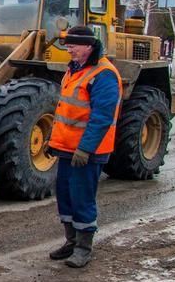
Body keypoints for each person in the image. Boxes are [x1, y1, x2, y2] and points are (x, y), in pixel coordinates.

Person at [47, 26, 122, 268]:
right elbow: (64, 111)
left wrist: (85, 149)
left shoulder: (104, 75)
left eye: (74, 46)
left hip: (87, 152)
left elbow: (102, 117)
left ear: (89, 47)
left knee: (82, 198)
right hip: (68, 149)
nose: (69, 49)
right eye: (68, 45)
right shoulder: (74, 71)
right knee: (65, 197)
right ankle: (70, 241)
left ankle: (83, 247)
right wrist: (52, 140)